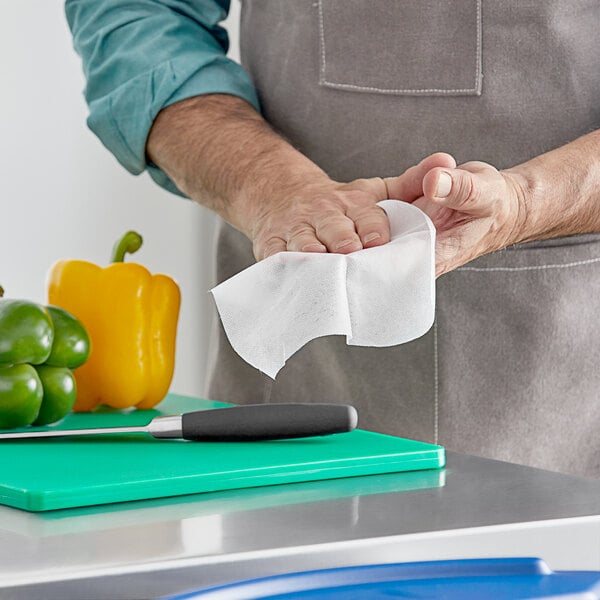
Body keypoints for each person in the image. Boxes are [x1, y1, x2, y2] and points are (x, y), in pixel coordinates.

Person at [65, 1, 600, 478]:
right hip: (294, 370)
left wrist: (528, 202)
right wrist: (270, 184)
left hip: (571, 390)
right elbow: (137, 15)